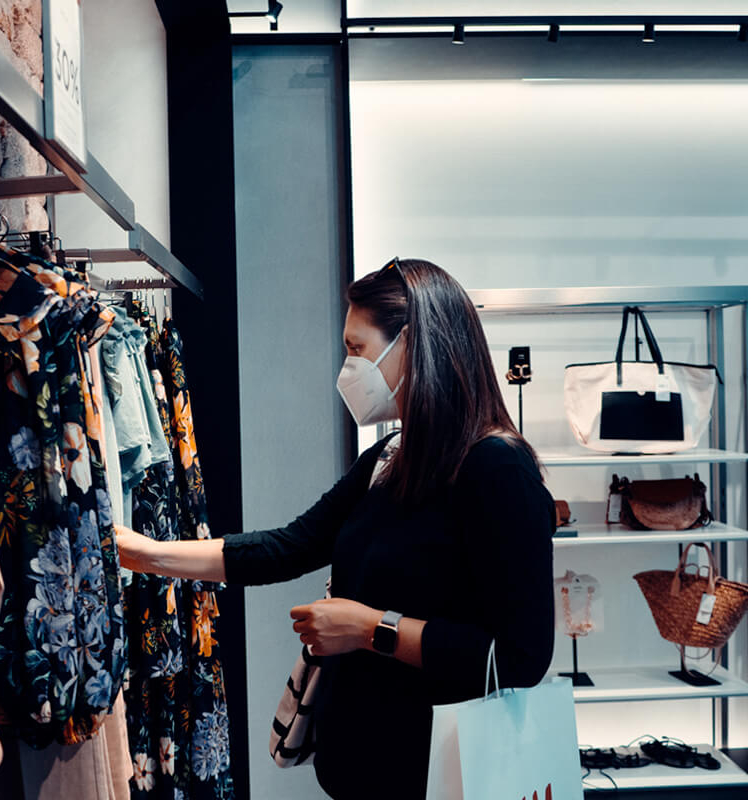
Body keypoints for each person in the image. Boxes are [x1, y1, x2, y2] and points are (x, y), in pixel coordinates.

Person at [116, 258, 556, 799]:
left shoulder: (497, 468)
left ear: (412, 344)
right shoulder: (392, 456)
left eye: (356, 348)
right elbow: (289, 546)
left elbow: (520, 657)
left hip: (443, 776)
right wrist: (147, 554)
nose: (348, 367)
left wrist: (371, 628)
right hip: (364, 768)